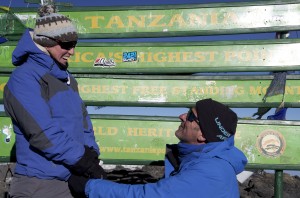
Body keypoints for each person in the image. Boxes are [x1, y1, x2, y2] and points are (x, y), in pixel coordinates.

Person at [3, 4, 106, 198]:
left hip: (74, 177)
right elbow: (42, 133)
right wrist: (83, 160)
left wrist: (91, 153)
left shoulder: (68, 79)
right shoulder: (24, 78)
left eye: (74, 44)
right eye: (66, 44)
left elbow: (83, 122)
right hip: (40, 183)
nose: (72, 51)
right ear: (45, 42)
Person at [69, 98, 248, 198]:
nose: (181, 116)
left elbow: (149, 196)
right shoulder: (203, 161)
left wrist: (89, 187)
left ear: (202, 135)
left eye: (191, 117)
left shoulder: (209, 171)